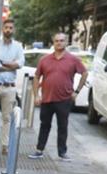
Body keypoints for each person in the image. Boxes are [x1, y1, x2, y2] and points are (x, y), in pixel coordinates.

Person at [29, 32, 87, 160]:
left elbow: (84, 73)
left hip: (64, 99)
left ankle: (62, 152)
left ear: (66, 43)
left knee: (63, 126)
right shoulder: (44, 59)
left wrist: (76, 91)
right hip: (47, 98)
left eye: (61, 40)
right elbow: (37, 76)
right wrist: (36, 95)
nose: (59, 43)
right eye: (56, 41)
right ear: (53, 43)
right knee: (44, 125)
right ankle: (39, 150)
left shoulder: (73, 60)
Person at [0, 18, 23, 154]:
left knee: (7, 117)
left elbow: (20, 64)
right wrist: (10, 65)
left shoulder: (18, 46)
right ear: (2, 29)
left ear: (14, 29)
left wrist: (3, 64)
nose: (8, 30)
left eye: (11, 28)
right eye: (6, 27)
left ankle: (5, 145)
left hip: (10, 87)